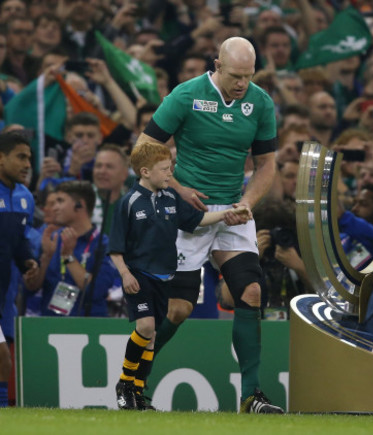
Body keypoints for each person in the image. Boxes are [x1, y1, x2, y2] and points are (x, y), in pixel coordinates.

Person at [135, 36, 282, 413]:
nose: (241, 84)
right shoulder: (185, 96)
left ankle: (252, 395)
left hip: (233, 209)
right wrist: (178, 189)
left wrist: (248, 202)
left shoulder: (260, 102)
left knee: (250, 292)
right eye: (235, 75)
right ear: (217, 65)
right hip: (188, 213)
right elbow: (143, 150)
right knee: (177, 311)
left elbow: (266, 165)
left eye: (248, 77)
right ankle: (133, 383)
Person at [109, 142, 251, 410]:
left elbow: (198, 220)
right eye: (165, 169)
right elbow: (115, 248)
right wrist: (126, 274)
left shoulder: (171, 199)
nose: (169, 174)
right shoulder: (128, 203)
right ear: (145, 171)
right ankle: (125, 382)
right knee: (146, 327)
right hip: (139, 276)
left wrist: (228, 213)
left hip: (166, 277)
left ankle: (137, 392)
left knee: (151, 336)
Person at [24, 180, 117, 317]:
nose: (54, 208)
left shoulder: (103, 244)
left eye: (60, 201)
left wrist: (69, 257)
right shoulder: (52, 240)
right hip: (51, 327)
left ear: (80, 205)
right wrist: (46, 258)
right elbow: (30, 288)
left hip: (89, 329)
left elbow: (96, 291)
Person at [0, 131, 38, 407]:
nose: (27, 164)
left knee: (4, 363)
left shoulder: (25, 197)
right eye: (20, 157)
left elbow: (19, 240)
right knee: (3, 359)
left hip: (5, 296)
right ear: (1, 159)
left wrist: (27, 260)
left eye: (30, 158)